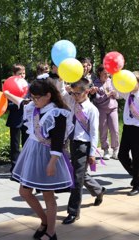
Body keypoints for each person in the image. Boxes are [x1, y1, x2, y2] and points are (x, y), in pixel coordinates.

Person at [4, 78, 73, 240]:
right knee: (24, 192)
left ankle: (51, 231)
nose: (34, 101)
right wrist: (7, 94)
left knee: (48, 195)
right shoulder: (34, 106)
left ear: (48, 95)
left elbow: (57, 141)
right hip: (32, 151)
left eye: (37, 98)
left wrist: (52, 162)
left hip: (48, 155)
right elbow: (22, 102)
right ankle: (44, 221)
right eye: (32, 97)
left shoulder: (58, 112)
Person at [61, 78, 106, 225]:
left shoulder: (92, 109)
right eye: (73, 93)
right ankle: (98, 190)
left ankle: (73, 212)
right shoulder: (72, 102)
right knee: (79, 174)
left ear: (86, 92)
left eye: (77, 93)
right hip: (71, 143)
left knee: (76, 179)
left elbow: (94, 133)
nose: (74, 96)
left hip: (83, 146)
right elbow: (62, 95)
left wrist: (92, 153)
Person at [117, 71, 139, 196]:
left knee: (137, 158)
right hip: (127, 127)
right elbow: (117, 89)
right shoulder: (128, 94)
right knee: (122, 155)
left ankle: (136, 184)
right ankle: (135, 175)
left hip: (137, 129)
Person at [92, 64, 119, 160]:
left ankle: (115, 150)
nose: (107, 75)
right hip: (101, 109)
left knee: (115, 130)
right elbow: (97, 100)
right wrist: (107, 95)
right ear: (99, 73)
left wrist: (115, 94)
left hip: (113, 108)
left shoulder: (112, 81)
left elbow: (118, 96)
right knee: (103, 130)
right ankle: (106, 150)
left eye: (108, 73)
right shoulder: (95, 83)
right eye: (104, 73)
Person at [6, 64, 28, 172]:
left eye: (24, 73)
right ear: (14, 75)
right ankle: (14, 168)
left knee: (27, 144)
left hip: (27, 120)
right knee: (15, 145)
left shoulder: (28, 86)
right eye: (20, 74)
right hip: (15, 119)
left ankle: (26, 166)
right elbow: (6, 105)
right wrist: (19, 103)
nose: (22, 76)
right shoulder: (9, 88)